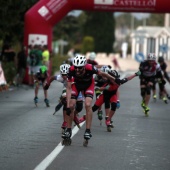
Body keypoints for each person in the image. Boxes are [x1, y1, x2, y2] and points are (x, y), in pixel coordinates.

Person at [62, 54, 116, 146]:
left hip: (88, 85)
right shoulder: (71, 70)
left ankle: (88, 130)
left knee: (87, 104)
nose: (77, 70)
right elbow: (69, 88)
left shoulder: (90, 68)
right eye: (76, 68)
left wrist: (114, 79)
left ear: (84, 66)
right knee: (71, 106)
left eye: (80, 68)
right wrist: (67, 106)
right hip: (76, 85)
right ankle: (68, 129)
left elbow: (102, 73)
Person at [44, 63, 86, 131]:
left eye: (66, 74)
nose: (64, 76)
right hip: (67, 89)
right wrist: (47, 84)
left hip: (77, 90)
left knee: (80, 107)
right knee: (65, 102)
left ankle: (74, 115)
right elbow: (52, 78)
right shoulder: (60, 77)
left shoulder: (75, 76)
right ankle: (65, 122)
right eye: (63, 75)